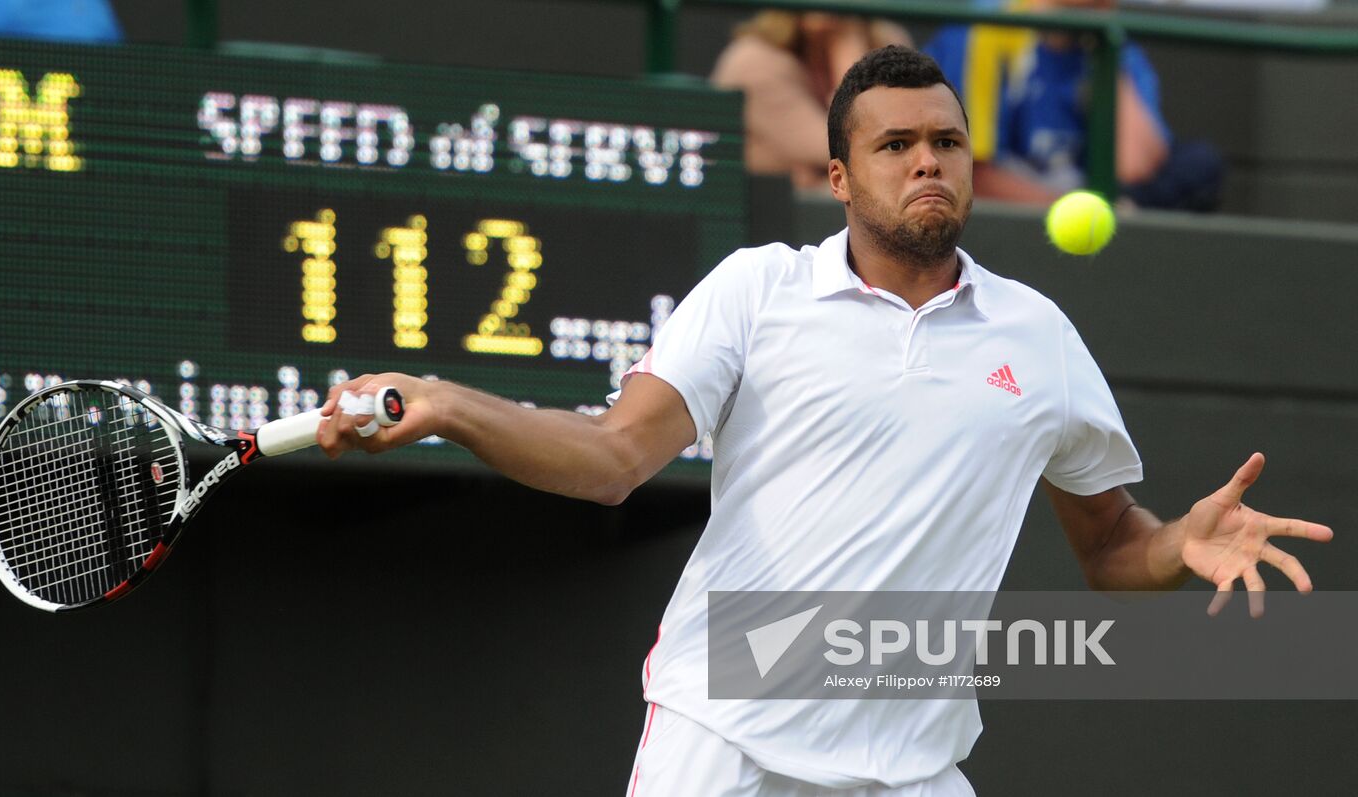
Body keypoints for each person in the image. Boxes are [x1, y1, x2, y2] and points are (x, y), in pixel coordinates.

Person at [315, 47, 1330, 796]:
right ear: (838, 178)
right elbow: (614, 456)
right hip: (724, 737)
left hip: (915, 764)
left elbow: (1109, 544)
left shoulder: (1038, 334)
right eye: (894, 145)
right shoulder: (757, 290)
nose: (925, 162)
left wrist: (1175, 543)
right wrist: (449, 403)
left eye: (944, 141)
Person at [921, 0, 1223, 210]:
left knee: (1199, 164)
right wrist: (1074, 207)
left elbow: (1135, 167)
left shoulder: (1113, 43)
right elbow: (974, 172)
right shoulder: (987, 30)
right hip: (1022, 207)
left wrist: (1102, 47)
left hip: (1093, 201)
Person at [712, 10, 911, 189]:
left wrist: (852, 46)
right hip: (760, 214)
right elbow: (850, 147)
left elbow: (909, 134)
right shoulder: (754, 61)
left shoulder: (885, 42)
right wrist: (852, 63)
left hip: (822, 202)